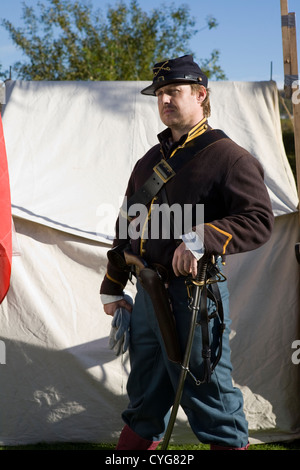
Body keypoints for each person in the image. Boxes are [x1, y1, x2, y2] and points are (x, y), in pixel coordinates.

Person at [100, 55, 274, 450]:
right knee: (144, 395)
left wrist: (201, 237)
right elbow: (127, 223)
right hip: (147, 293)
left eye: (173, 91)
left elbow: (259, 219)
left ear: (200, 95)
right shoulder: (149, 160)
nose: (164, 100)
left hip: (195, 295)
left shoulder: (230, 157)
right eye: (159, 93)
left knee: (208, 393)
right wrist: (113, 285)